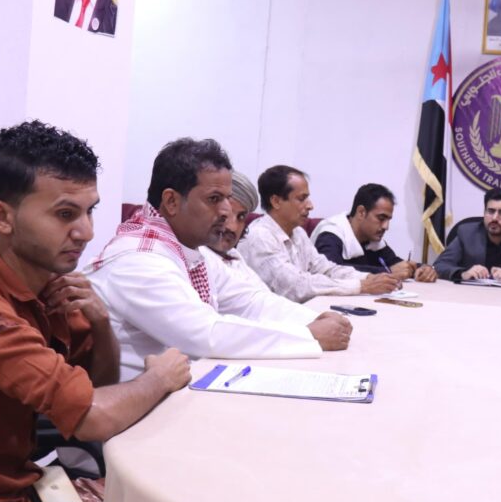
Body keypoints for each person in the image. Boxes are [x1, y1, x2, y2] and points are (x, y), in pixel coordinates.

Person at [0, 121, 190, 502]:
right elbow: (92, 415)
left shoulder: (48, 284)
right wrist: (159, 378)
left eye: (90, 211)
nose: (86, 231)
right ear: (3, 216)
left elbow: (98, 387)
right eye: (65, 214)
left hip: (27, 489)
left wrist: (101, 323)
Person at [88, 140, 351, 381]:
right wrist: (309, 335)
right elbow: (206, 335)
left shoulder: (191, 250)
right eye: (214, 199)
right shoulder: (139, 259)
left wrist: (316, 318)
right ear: (171, 201)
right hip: (141, 411)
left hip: (179, 392)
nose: (226, 211)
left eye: (227, 199)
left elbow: (250, 301)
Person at [239, 165, 400, 302]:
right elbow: (295, 287)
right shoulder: (260, 237)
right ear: (276, 201)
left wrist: (367, 278)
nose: (310, 206)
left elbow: (326, 269)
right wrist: (361, 286)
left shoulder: (298, 233)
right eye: (301, 199)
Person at [311, 183, 437, 282]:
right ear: (361, 212)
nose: (386, 226)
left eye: (388, 220)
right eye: (381, 218)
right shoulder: (330, 235)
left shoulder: (373, 239)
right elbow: (330, 271)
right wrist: (387, 271)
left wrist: (423, 269)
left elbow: (395, 263)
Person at [201, 170, 270, 289]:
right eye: (225, 214)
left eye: (241, 217)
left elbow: (263, 295)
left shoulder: (233, 254)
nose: (233, 227)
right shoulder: (198, 258)